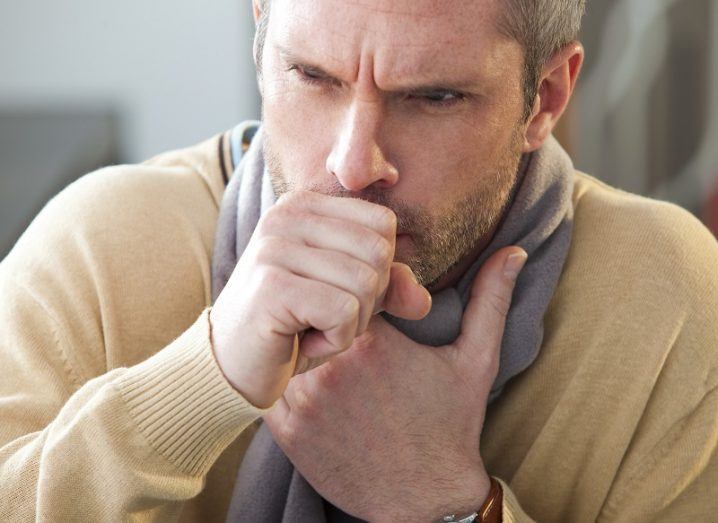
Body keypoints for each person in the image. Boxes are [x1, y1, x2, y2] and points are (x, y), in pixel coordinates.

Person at [1, 0, 717, 521]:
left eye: (432, 97)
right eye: (311, 76)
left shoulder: (666, 293)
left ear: (546, 97)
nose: (352, 165)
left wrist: (446, 502)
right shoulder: (98, 245)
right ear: (261, 39)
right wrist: (206, 377)